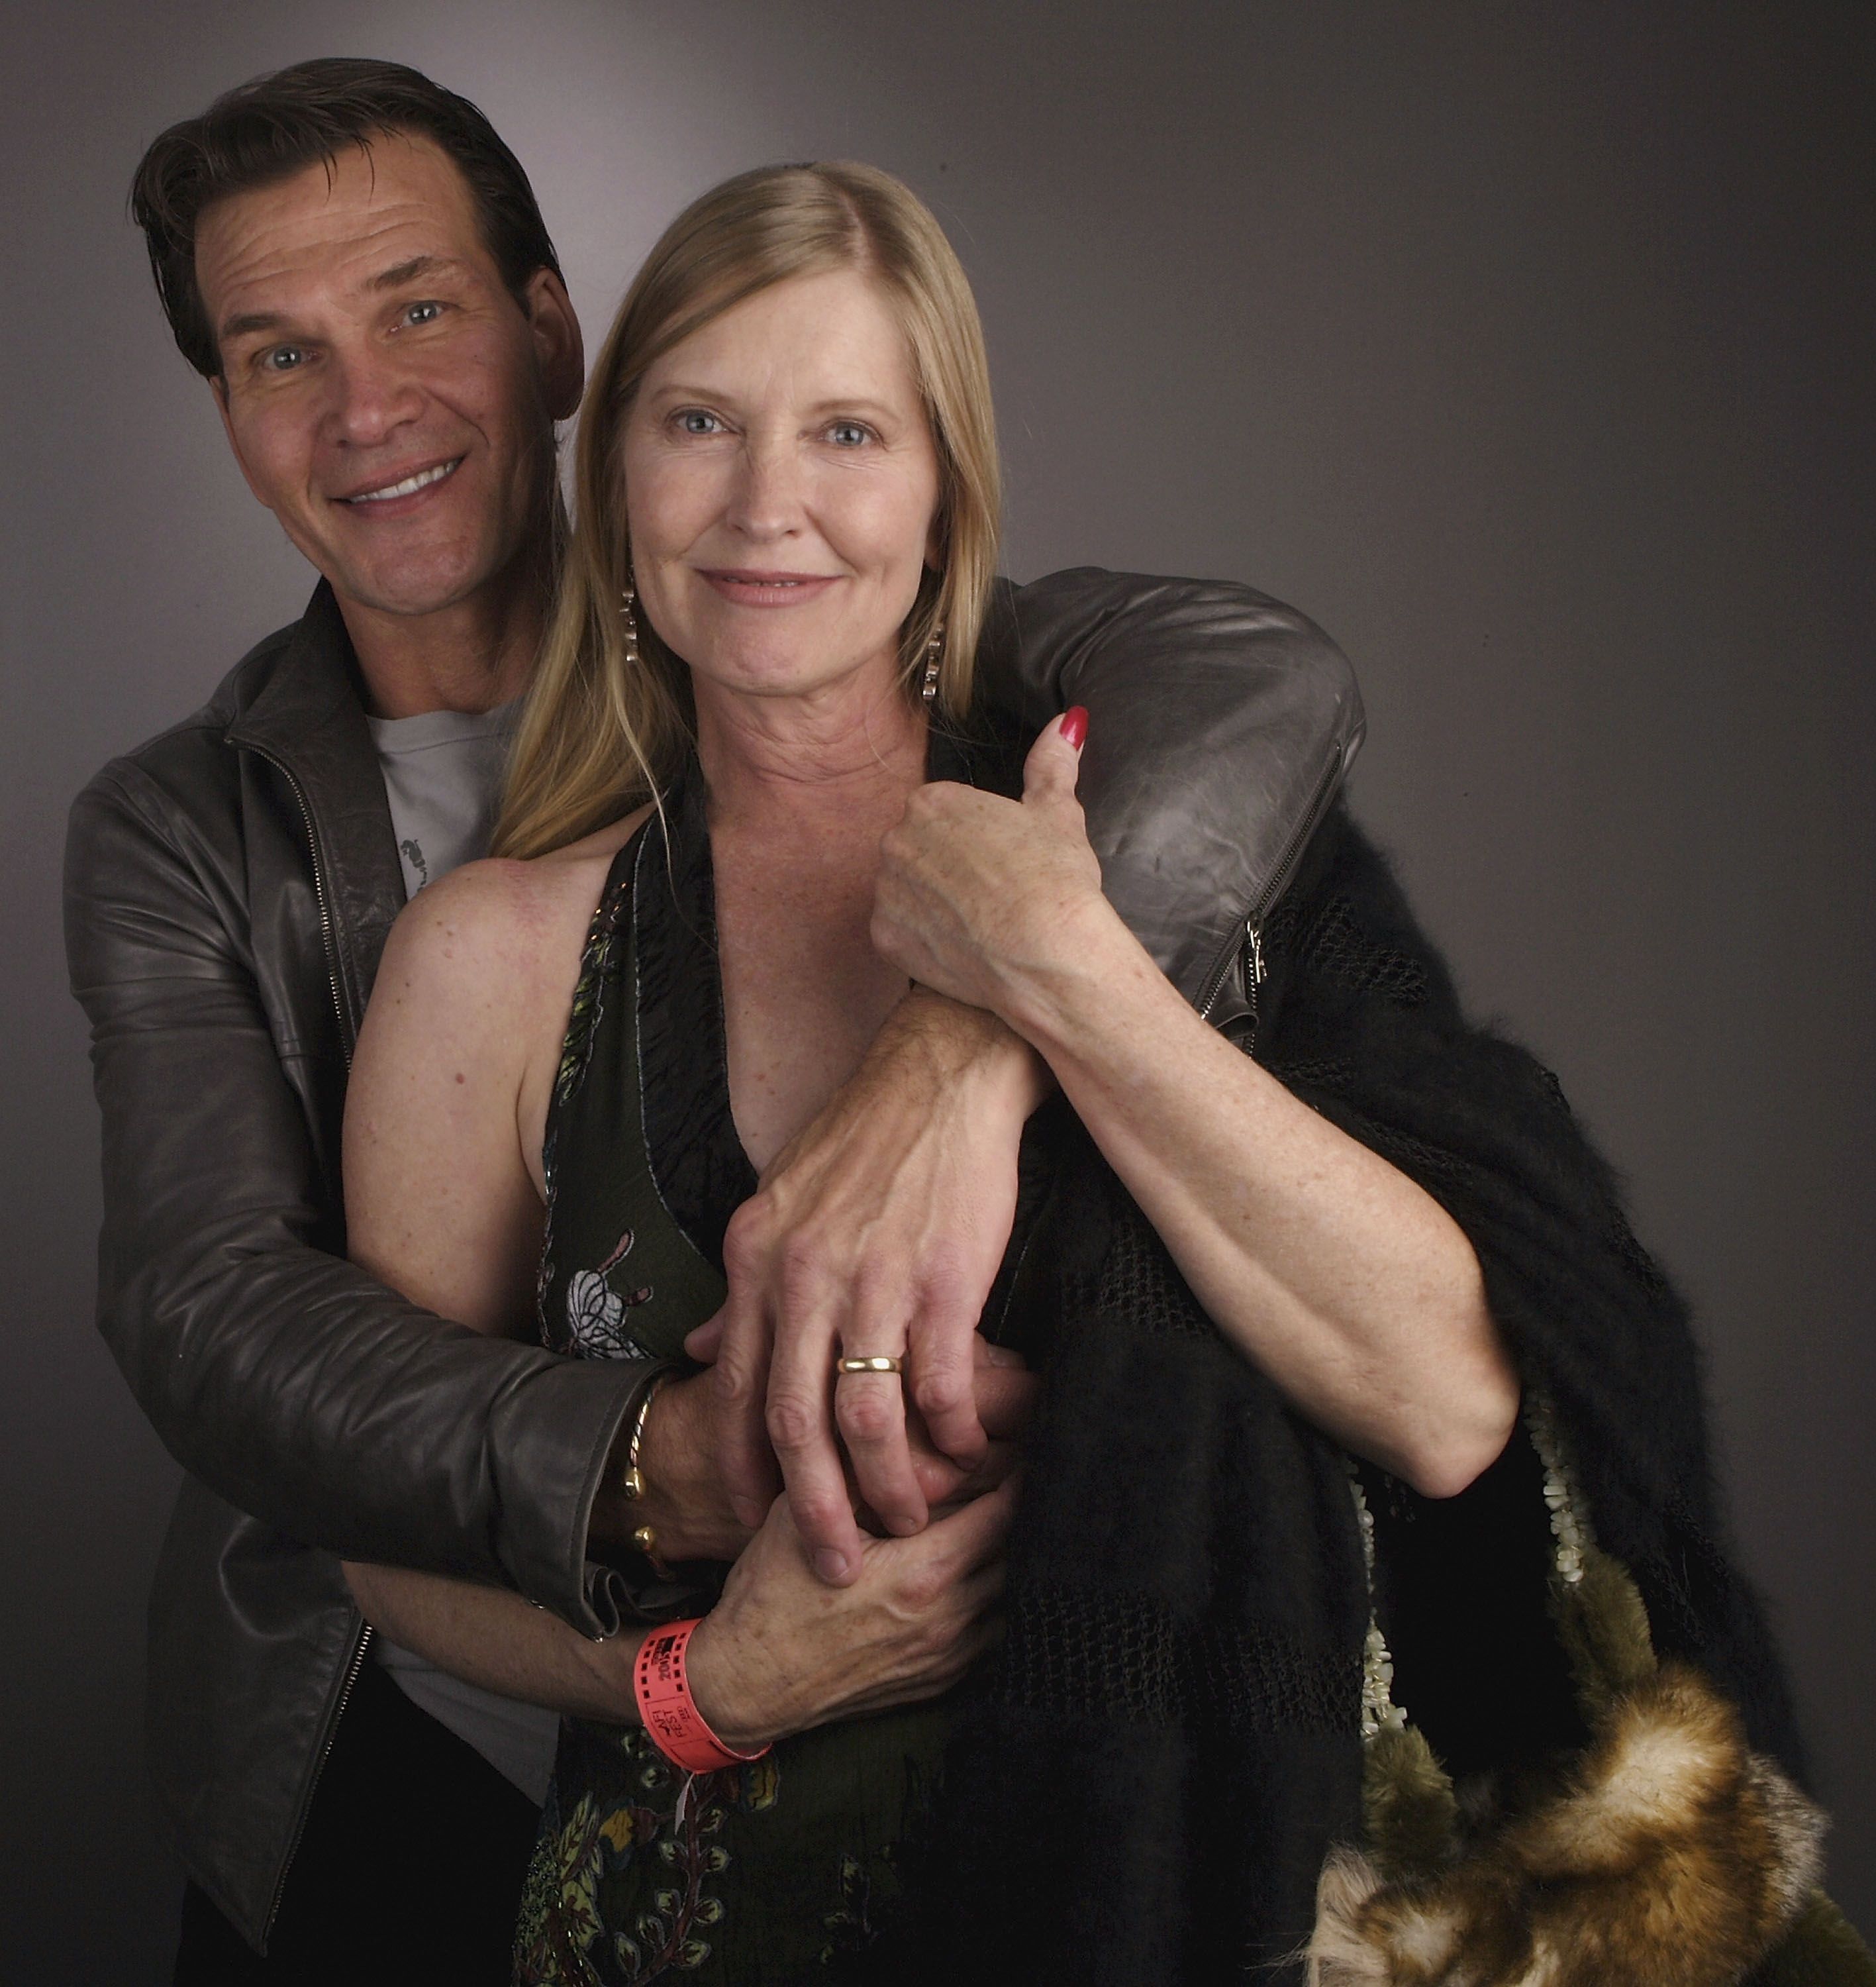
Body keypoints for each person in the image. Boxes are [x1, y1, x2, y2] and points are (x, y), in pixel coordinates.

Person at [64, 59, 1367, 1983]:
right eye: (277, 356)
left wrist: (957, 1049)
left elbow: (1258, 681)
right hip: (401, 1730)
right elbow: (214, 1315)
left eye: (418, 307)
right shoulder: (187, 830)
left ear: (551, 329)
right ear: (230, 415)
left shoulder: (826, 621)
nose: (366, 410)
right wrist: (677, 1471)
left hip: (919, 1750)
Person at [331, 155, 1533, 1981]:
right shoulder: (483, 960)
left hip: (1202, 1904)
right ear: (615, 474)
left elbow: (1444, 1405)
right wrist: (699, 1683)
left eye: (845, 432)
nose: (765, 507)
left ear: (945, 487)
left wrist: (1041, 994)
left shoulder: (1162, 846)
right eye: (698, 423)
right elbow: (386, 1534)